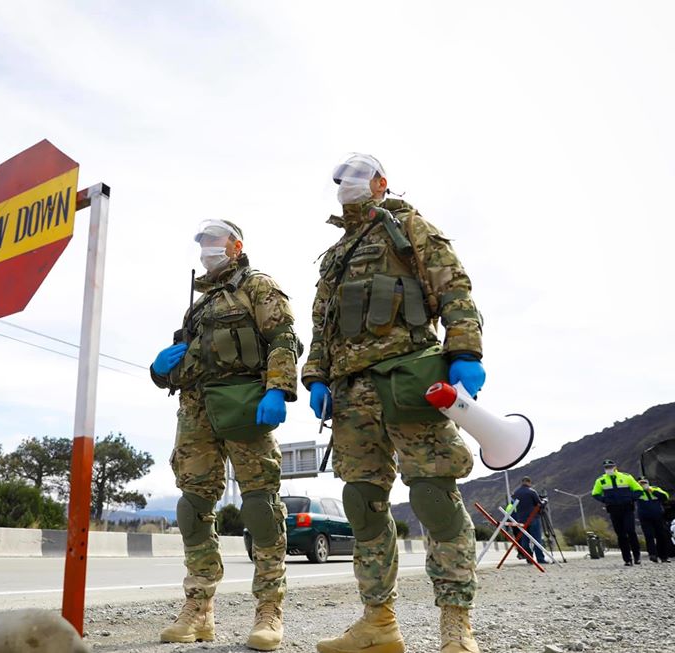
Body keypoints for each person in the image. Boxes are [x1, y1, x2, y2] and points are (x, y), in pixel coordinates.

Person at [303, 153, 484, 653]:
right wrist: (315, 376)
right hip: (350, 394)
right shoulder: (336, 255)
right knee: (362, 505)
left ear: (382, 182)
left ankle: (456, 626)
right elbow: (321, 326)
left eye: (358, 176)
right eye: (341, 179)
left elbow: (454, 288)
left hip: (409, 377)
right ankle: (378, 624)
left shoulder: (408, 227)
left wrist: (465, 350)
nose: (347, 184)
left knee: (433, 497)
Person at [150, 220, 301, 651]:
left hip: (243, 403)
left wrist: (278, 389)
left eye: (215, 241)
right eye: (203, 243)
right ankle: (199, 610)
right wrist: (158, 370)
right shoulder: (198, 306)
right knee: (192, 506)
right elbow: (183, 365)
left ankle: (269, 610)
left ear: (236, 246)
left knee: (260, 506)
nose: (207, 249)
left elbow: (283, 338)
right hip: (196, 412)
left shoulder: (257, 286)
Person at [591, 459, 644, 566]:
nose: (609, 469)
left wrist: (630, 498)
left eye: (610, 467)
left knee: (631, 531)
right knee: (621, 534)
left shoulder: (626, 477)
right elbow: (595, 493)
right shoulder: (601, 480)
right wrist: (605, 500)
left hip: (627, 508)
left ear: (615, 467)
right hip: (614, 510)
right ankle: (627, 559)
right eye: (606, 468)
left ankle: (637, 556)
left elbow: (639, 490)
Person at [510, 476, 547, 564]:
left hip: (521, 519)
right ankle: (540, 559)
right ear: (529, 482)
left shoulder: (516, 493)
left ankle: (529, 558)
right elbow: (539, 504)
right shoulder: (532, 491)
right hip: (533, 518)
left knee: (525, 540)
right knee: (537, 539)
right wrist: (545, 501)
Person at [635, 476, 671, 563]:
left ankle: (664, 556)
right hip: (645, 517)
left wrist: (651, 490)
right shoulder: (637, 491)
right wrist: (640, 489)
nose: (643, 484)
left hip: (658, 516)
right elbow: (632, 497)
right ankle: (652, 554)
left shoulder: (655, 489)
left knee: (661, 535)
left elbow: (665, 496)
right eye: (641, 483)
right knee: (649, 535)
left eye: (644, 482)